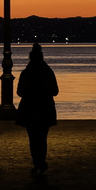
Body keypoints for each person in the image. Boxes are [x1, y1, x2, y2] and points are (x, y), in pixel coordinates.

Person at [15, 42, 59, 175]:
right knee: (42, 138)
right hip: (45, 108)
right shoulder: (48, 72)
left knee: (33, 139)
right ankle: (41, 161)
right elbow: (55, 91)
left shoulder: (26, 73)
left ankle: (37, 162)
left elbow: (20, 92)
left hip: (29, 109)